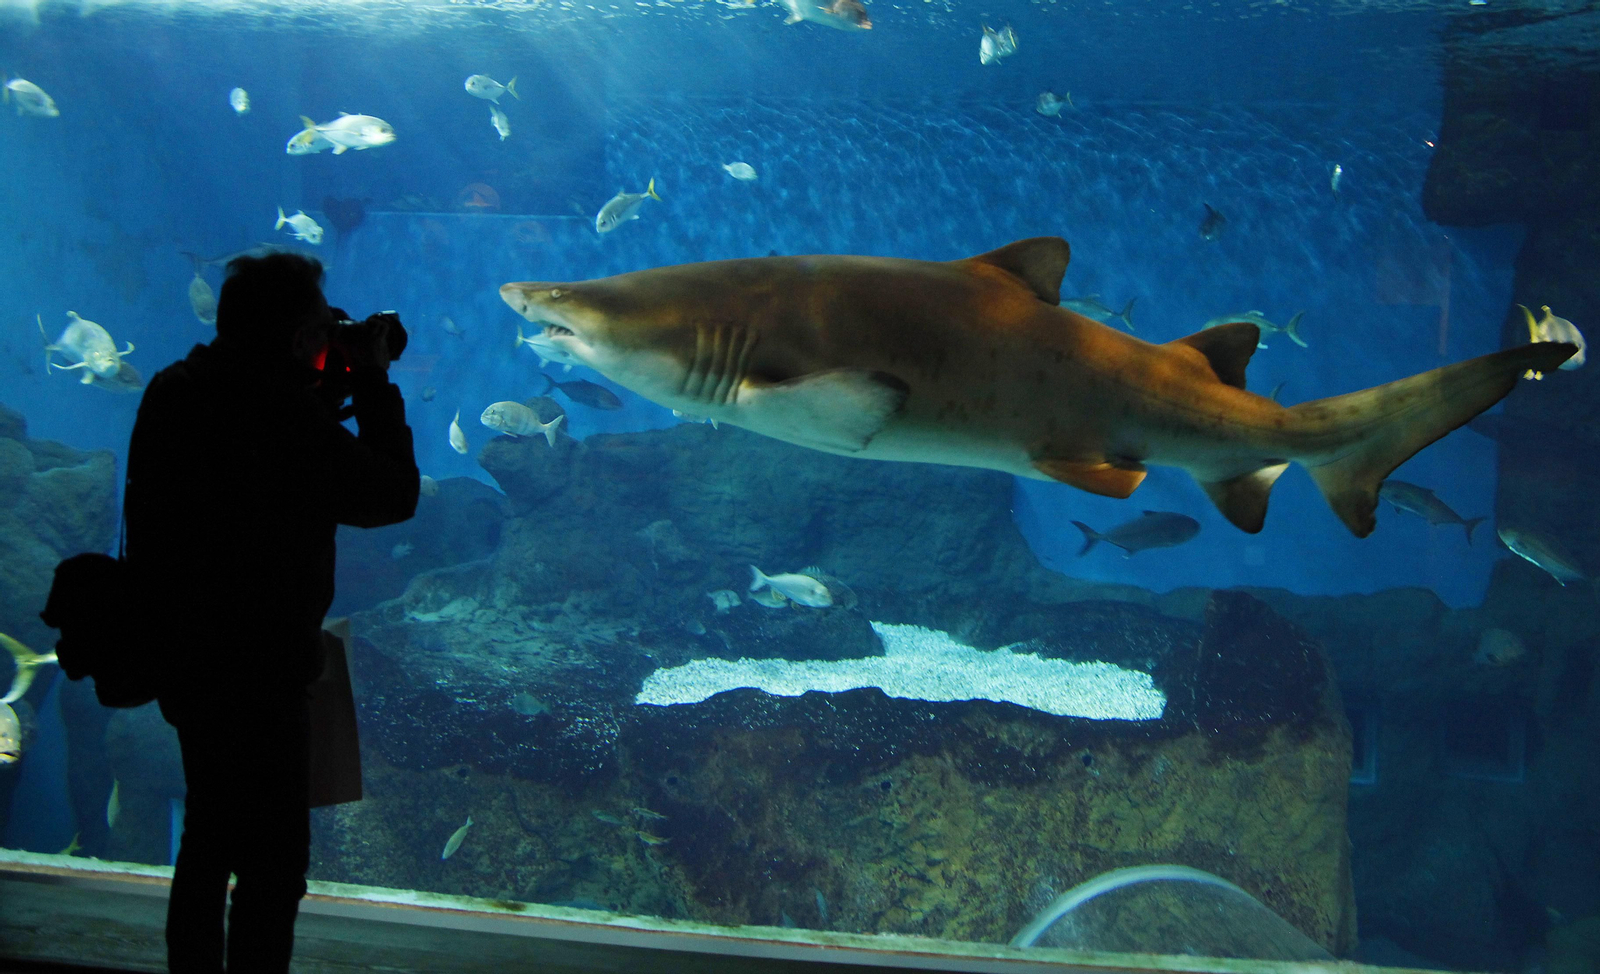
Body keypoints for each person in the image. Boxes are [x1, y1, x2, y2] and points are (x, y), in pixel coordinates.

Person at [124, 252, 419, 974]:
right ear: (294, 339)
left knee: (206, 841)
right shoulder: (281, 415)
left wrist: (318, 382)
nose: (335, 338)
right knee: (272, 868)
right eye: (324, 328)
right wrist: (373, 380)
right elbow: (389, 495)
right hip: (263, 673)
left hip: (187, 662)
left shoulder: (176, 389)